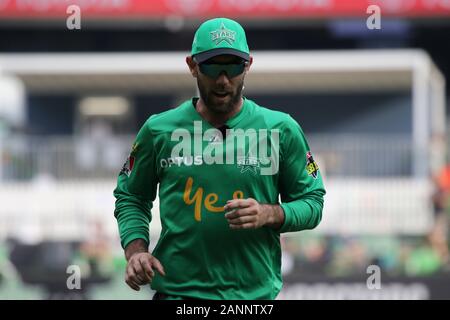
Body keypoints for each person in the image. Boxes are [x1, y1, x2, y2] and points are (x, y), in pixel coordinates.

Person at [113, 17, 325, 300]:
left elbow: (312, 202)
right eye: (212, 66)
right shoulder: (158, 130)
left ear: (248, 65)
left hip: (252, 300)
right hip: (178, 297)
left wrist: (269, 213)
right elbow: (131, 196)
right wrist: (136, 251)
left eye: (234, 66)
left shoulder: (281, 129)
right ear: (192, 66)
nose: (223, 79)